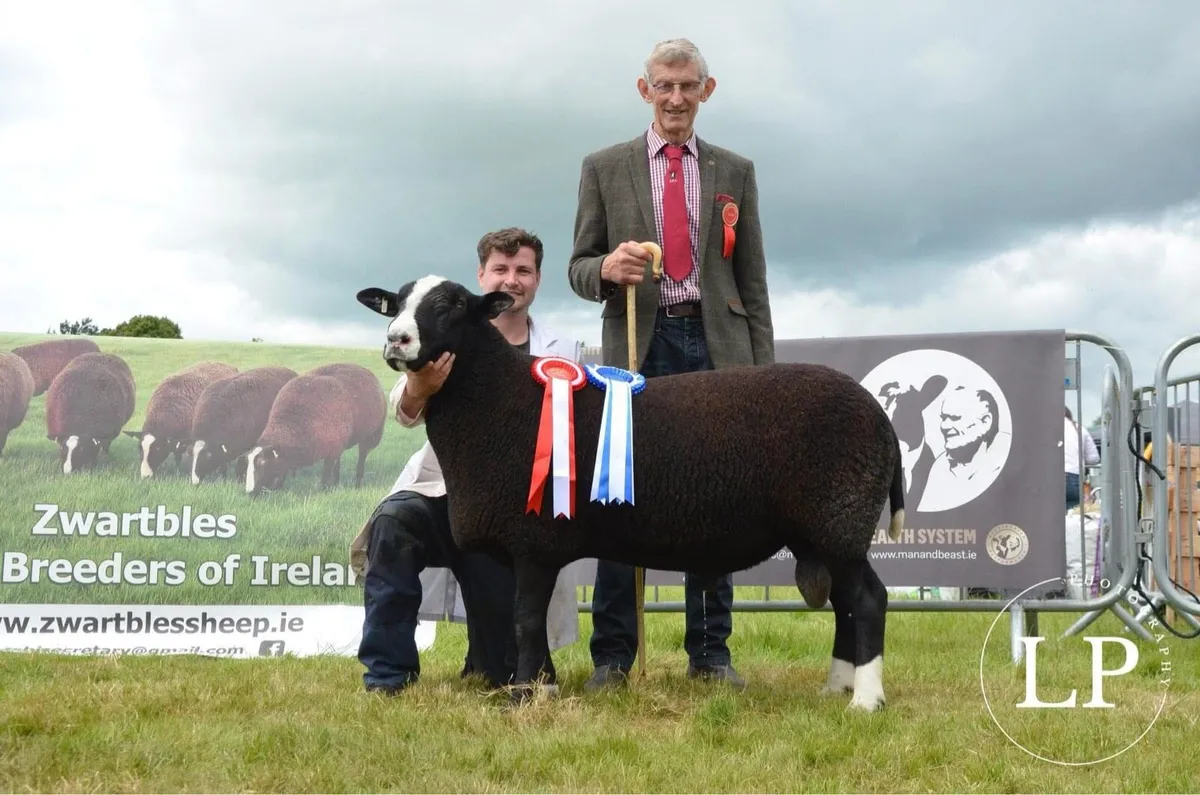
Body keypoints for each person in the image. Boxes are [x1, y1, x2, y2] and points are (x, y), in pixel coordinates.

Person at [566, 38, 775, 691]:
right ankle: (613, 655)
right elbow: (578, 267)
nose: (677, 98)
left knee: (715, 499)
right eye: (665, 86)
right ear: (644, 89)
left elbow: (753, 280)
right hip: (636, 347)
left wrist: (762, 375)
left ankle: (710, 653)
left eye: (689, 86)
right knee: (618, 494)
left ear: (706, 91)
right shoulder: (604, 166)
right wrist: (605, 267)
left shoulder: (735, 171)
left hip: (718, 349)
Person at [350, 227, 584, 694]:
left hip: (519, 505)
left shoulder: (563, 351)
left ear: (537, 279)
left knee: (497, 672)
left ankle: (501, 661)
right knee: (392, 526)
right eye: (500, 269)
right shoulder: (445, 327)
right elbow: (404, 411)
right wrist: (423, 385)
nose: (510, 280)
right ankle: (387, 675)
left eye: (523, 270)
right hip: (439, 490)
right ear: (482, 275)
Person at [1064, 407, 1100, 511]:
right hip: (1075, 477)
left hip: (1051, 478)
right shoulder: (1080, 429)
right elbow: (1094, 458)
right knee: (1072, 517)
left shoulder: (1045, 429)